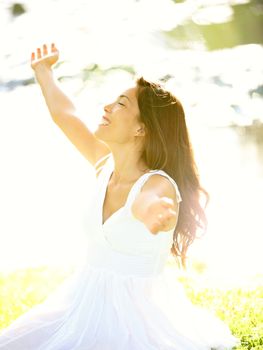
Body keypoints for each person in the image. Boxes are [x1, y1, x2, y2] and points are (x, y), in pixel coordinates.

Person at [0, 43, 239, 349]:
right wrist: (44, 71)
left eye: (121, 104)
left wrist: (155, 212)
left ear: (141, 129)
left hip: (134, 316)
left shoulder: (157, 185)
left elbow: (148, 200)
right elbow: (65, 115)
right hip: (80, 299)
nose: (107, 107)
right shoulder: (105, 166)